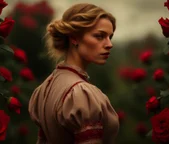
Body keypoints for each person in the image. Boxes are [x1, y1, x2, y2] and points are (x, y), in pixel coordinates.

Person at [28, 3, 119, 144]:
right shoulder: (81, 93)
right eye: (100, 36)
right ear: (74, 38)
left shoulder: (45, 88)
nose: (109, 44)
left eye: (110, 37)